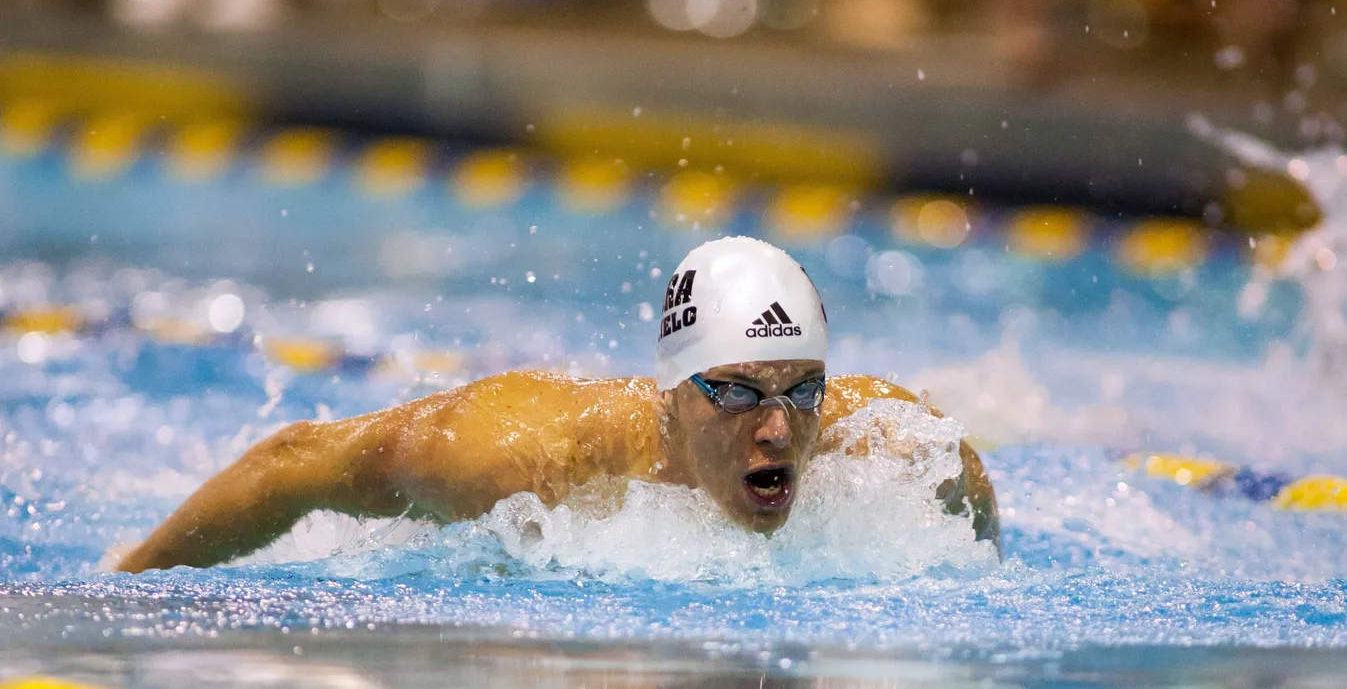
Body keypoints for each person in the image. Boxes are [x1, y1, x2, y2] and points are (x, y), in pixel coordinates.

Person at [116, 237, 999, 573]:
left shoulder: (888, 443)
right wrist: (122, 597)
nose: (776, 427)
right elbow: (294, 464)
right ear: (670, 391)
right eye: (734, 392)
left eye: (801, 390)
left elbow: (977, 523)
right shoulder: (516, 455)